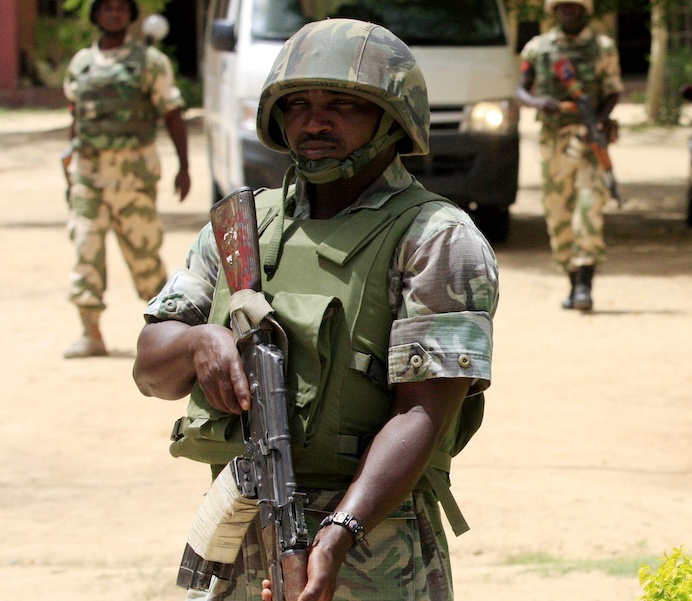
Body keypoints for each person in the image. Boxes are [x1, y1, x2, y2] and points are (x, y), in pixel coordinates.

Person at [131, 19, 498, 601]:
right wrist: (201, 342)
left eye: (343, 104)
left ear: (392, 117)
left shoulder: (435, 237)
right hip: (240, 530)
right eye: (297, 103)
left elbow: (423, 411)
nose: (315, 120)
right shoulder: (242, 228)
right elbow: (150, 368)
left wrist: (337, 536)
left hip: (374, 542)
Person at [63, 0, 190, 358]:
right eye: (106, 8)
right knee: (85, 253)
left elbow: (172, 113)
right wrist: (69, 168)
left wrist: (184, 166)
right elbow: (77, 118)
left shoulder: (150, 63)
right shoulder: (81, 64)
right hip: (88, 177)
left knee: (145, 258)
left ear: (130, 15)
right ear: (96, 15)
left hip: (133, 179)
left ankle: (166, 331)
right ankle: (91, 333)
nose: (113, 14)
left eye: (121, 8)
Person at [517, 0, 623, 311]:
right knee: (557, 211)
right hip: (553, 142)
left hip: (589, 141)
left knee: (589, 206)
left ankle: (585, 285)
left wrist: (599, 120)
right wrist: (539, 102)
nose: (568, 12)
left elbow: (614, 90)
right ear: (554, 11)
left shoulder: (602, 47)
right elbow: (521, 90)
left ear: (584, 11)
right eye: (562, 7)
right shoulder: (538, 48)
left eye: (574, 8)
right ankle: (572, 278)